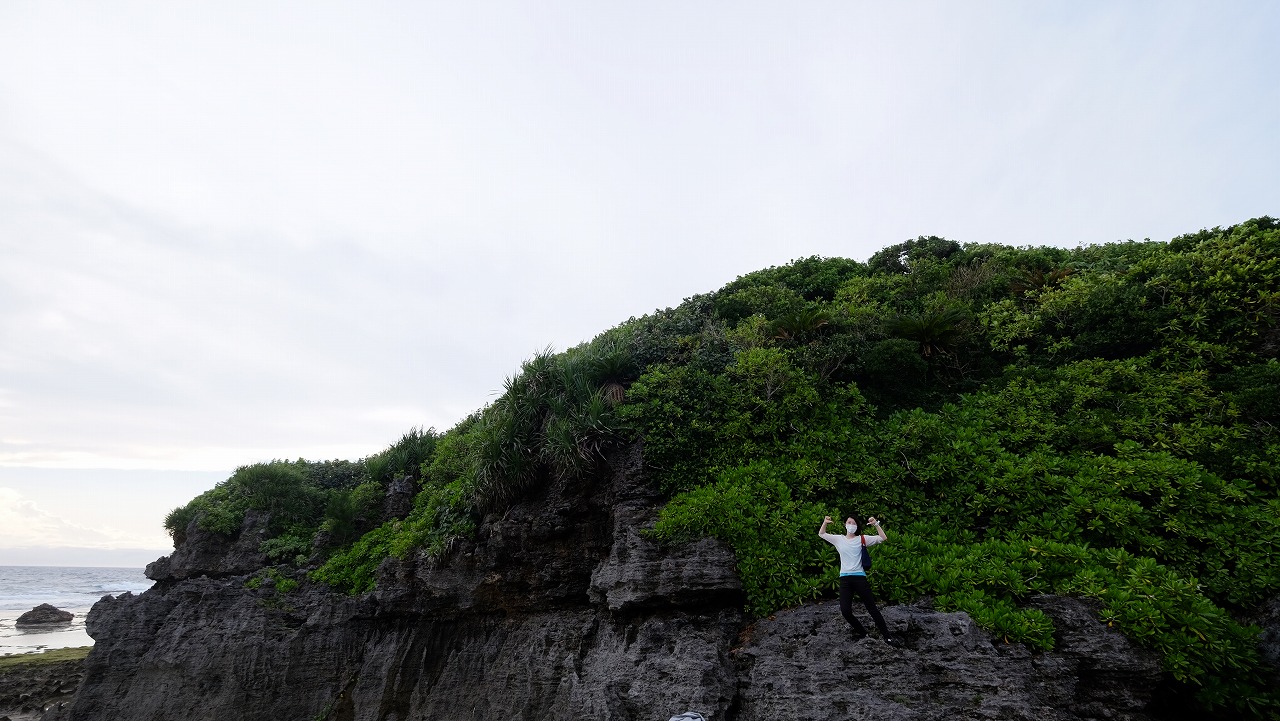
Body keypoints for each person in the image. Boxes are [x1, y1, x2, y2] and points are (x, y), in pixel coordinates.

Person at [818, 514, 903, 647]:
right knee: (845, 611)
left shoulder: (862, 539)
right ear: (845, 524)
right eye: (848, 522)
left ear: (857, 526)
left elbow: (883, 538)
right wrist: (825, 522)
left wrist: (876, 524)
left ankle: (888, 637)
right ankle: (863, 634)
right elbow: (822, 534)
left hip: (860, 578)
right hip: (845, 579)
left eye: (853, 523)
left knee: (872, 608)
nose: (850, 525)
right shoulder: (839, 539)